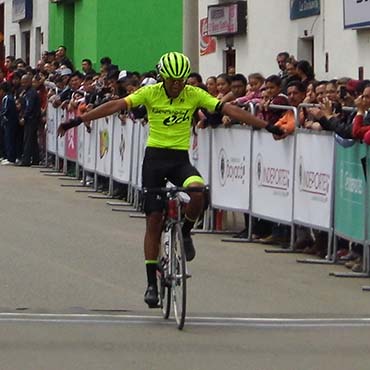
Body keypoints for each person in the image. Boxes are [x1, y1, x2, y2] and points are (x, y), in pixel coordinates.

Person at [57, 52, 283, 308]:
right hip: (154, 160)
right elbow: (116, 105)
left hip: (179, 160)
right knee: (153, 220)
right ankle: (151, 284)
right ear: (163, 77)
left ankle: (185, 232)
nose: (177, 85)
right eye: (172, 80)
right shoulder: (151, 93)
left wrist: (266, 126)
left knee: (198, 192)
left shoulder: (193, 94)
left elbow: (228, 108)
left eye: (181, 80)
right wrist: (77, 120)